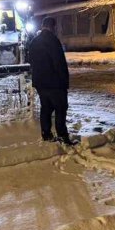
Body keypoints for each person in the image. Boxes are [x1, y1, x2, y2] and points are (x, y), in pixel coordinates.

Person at [27, 16, 74, 144]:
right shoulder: (53, 41)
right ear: (53, 27)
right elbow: (59, 63)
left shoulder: (34, 41)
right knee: (60, 108)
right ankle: (62, 136)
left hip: (40, 83)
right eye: (55, 27)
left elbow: (31, 61)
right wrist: (64, 81)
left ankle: (46, 134)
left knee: (46, 108)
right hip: (55, 82)